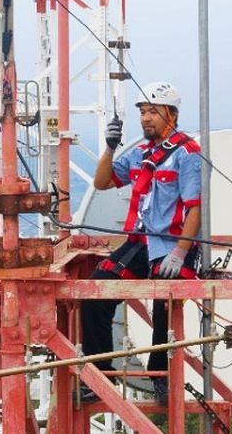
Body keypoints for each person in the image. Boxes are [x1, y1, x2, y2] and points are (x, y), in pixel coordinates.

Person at [79, 81, 201, 405]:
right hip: (141, 241)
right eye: (143, 112)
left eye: (153, 112)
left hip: (173, 242)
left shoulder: (187, 154)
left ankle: (160, 377)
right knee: (94, 292)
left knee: (164, 300)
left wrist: (179, 253)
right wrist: (109, 148)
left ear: (171, 114)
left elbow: (194, 208)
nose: (146, 118)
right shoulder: (140, 154)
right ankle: (99, 375)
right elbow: (103, 181)